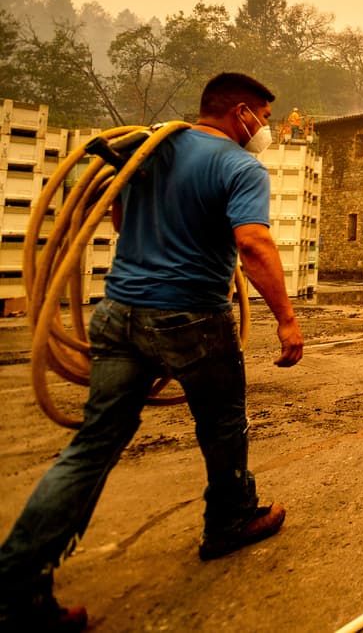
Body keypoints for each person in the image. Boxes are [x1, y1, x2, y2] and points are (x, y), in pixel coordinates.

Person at [0, 72, 306, 632]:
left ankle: (16, 583)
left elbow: (117, 216)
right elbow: (254, 243)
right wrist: (286, 319)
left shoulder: (150, 149)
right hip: (191, 316)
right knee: (222, 426)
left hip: (120, 313)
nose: (266, 129)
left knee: (92, 447)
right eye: (263, 117)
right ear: (240, 113)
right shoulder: (240, 167)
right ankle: (231, 520)